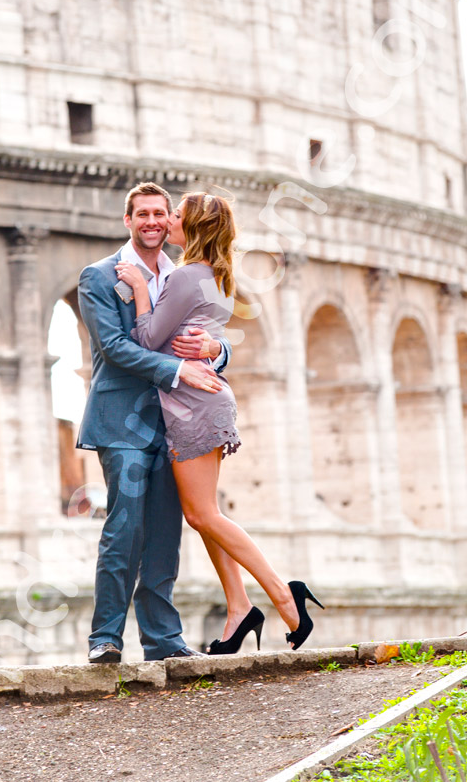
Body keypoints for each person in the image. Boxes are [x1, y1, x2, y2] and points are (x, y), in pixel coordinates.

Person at [115, 191, 324, 655]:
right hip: (201, 400)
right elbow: (207, 341)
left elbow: (147, 337)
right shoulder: (217, 276)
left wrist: (143, 291)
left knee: (203, 514)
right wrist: (214, 348)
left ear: (192, 227)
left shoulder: (187, 276)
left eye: (175, 214)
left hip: (193, 403)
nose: (167, 219)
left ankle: (284, 596)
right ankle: (238, 610)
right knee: (205, 514)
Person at [77, 182, 232, 664]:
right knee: (125, 528)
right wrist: (177, 369)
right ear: (128, 220)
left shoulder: (185, 276)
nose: (151, 222)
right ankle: (105, 638)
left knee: (167, 531)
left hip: (176, 421)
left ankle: (163, 640)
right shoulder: (99, 277)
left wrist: (217, 351)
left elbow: (209, 336)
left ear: (170, 221)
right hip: (121, 419)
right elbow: (114, 347)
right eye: (141, 214)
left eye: (160, 214)